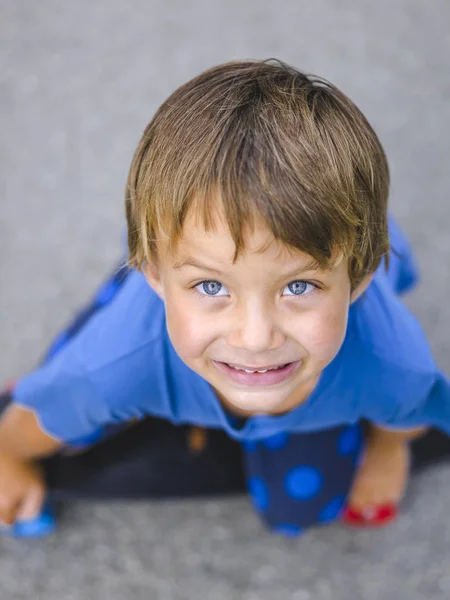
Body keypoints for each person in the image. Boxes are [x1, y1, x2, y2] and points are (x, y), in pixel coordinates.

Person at [1, 59, 450, 537]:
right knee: (72, 391)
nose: (255, 338)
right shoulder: (116, 364)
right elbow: (37, 418)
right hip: (140, 333)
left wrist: (387, 450)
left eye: (299, 286)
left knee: (298, 511)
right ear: (154, 275)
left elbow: (405, 412)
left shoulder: (393, 367)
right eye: (211, 286)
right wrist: (9, 457)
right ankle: (130, 280)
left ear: (360, 281)